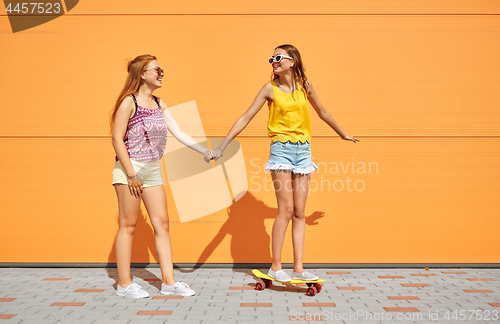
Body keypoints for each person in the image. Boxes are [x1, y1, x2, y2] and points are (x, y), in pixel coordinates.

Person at [209, 45, 359, 282]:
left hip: (304, 150)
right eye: (271, 58)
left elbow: (322, 111)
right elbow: (245, 117)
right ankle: (276, 267)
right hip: (281, 150)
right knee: (286, 210)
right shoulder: (270, 89)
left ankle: (298, 268)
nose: (273, 61)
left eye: (278, 57)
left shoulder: (305, 87)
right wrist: (222, 147)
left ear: (292, 61)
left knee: (300, 212)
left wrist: (342, 133)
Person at [110, 54, 213, 298]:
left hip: (152, 167)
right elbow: (116, 139)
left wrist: (204, 151)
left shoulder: (159, 103)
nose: (161, 73)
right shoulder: (129, 102)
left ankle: (169, 282)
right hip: (129, 168)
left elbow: (178, 132)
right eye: (156, 69)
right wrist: (131, 173)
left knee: (162, 224)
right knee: (128, 225)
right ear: (142, 74)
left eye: (161, 69)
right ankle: (124, 285)